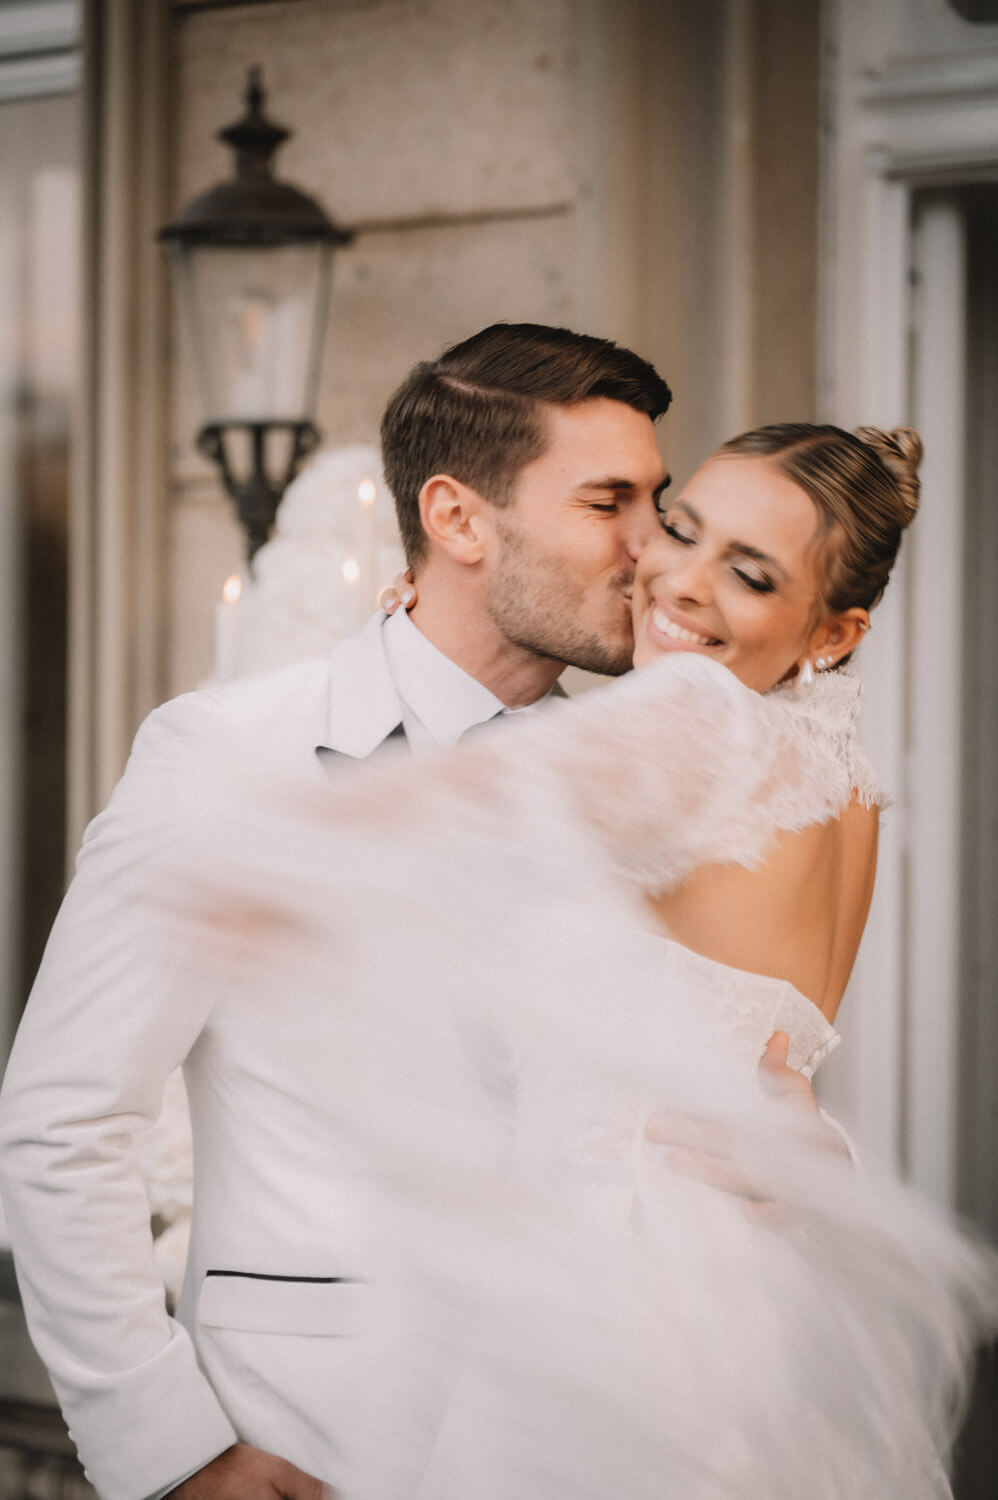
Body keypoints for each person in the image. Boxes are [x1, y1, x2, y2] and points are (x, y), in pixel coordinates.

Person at [151, 419, 996, 1499]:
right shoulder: (851, 797)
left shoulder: (694, 717)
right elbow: (759, 1057)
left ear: (833, 633)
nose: (678, 584)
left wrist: (254, 860)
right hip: (747, 1312)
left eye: (745, 574)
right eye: (678, 531)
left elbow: (412, 815)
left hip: (604, 1304)